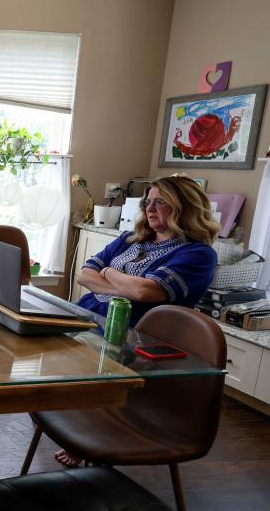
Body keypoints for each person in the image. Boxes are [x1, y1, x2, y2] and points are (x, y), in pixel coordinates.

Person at [58, 174, 219, 467]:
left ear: (183, 207)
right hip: (88, 319)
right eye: (148, 201)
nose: (150, 208)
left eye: (161, 202)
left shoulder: (197, 253)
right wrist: (122, 282)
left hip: (131, 342)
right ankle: (69, 423)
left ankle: (83, 433)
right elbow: (84, 275)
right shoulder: (131, 238)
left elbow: (145, 291)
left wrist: (106, 273)